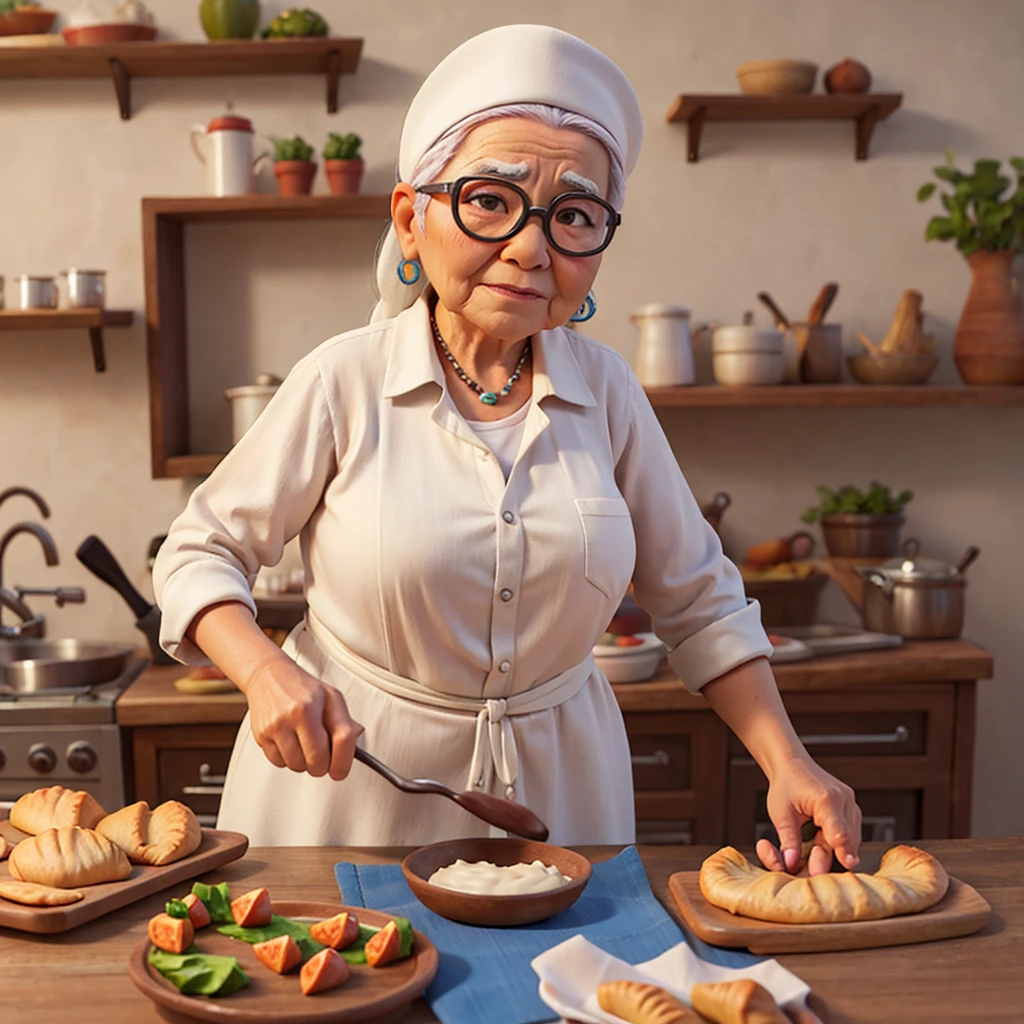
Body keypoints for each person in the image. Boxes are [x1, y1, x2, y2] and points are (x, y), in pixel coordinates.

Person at [153, 24, 861, 875]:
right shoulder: (344, 380)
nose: (532, 246)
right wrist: (266, 673)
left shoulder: (608, 394)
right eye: (492, 199)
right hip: (346, 797)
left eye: (573, 215)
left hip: (561, 799)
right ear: (413, 220)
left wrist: (789, 762)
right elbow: (199, 552)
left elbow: (701, 603)